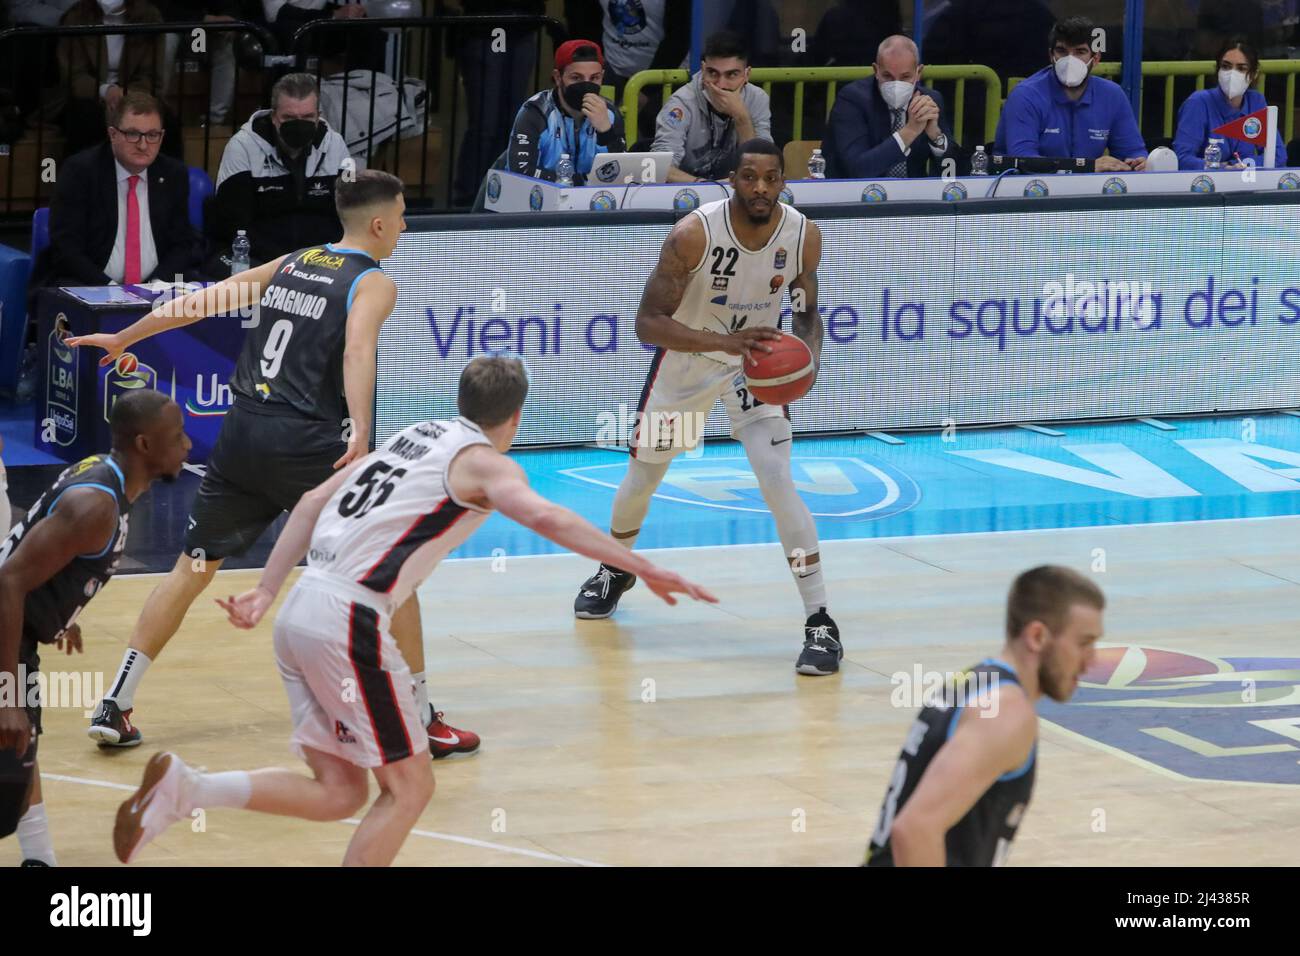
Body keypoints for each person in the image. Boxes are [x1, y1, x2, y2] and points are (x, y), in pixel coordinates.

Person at [112, 354, 716, 866]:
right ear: (516, 416)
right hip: (347, 620)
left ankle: (188, 788)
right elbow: (546, 516)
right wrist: (639, 564)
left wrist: (267, 591)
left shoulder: (413, 436)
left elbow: (311, 500)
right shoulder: (485, 462)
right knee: (410, 787)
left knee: (343, 792)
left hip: (300, 612)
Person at [67, 170, 480, 759]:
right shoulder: (374, 281)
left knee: (192, 565)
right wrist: (361, 428)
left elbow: (200, 303)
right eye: (404, 215)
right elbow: (358, 349)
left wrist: (124, 338)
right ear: (381, 223)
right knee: (397, 573)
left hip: (241, 432)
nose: (406, 226)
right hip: (308, 441)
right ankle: (418, 717)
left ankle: (116, 700)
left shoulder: (295, 260)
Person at [571, 138, 843, 676]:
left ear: (782, 182)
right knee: (645, 478)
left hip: (755, 369)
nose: (760, 187)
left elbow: (806, 307)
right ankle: (615, 567)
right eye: (749, 176)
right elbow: (648, 323)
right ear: (732, 180)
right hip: (690, 362)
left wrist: (809, 358)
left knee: (777, 479)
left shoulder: (803, 235)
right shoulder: (694, 233)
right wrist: (723, 344)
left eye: (770, 177)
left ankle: (819, 622)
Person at [0, 390, 190, 867]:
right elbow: (8, 581)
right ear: (145, 444)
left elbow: (43, 558)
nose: (188, 445)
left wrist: (65, 613)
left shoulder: (109, 478)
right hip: (5, 632)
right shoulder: (95, 505)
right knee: (10, 755)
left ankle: (39, 860)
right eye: (177, 436)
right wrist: (7, 697)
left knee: (21, 750)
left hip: (21, 632)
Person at [864, 566, 1103, 866]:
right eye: (1084, 643)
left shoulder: (976, 682)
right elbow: (915, 830)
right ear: (1038, 636)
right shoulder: (1006, 713)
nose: (1092, 660)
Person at [30, 91, 201, 290]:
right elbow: (66, 250)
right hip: (89, 284)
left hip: (156, 287)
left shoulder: (173, 174)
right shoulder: (80, 172)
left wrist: (157, 284)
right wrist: (111, 290)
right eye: (133, 134)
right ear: (113, 134)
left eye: (152, 135)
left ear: (162, 136)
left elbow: (182, 243)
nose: (143, 144)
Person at [207, 73, 355, 273]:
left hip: (320, 259)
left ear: (318, 116)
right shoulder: (242, 146)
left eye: (307, 117)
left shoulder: (335, 145)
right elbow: (234, 224)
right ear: (273, 116)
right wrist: (288, 265)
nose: (298, 124)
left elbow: (351, 214)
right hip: (259, 259)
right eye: (289, 118)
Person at [994, 16, 1147, 172]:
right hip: (1024, 189)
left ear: (1095, 59)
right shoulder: (1025, 95)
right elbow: (1023, 160)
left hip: (1086, 189)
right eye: (1062, 51)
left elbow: (1132, 151)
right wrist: (1086, 168)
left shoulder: (1112, 95)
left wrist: (1137, 162)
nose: (1069, 60)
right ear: (1051, 55)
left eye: (1080, 51)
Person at [820, 35, 959, 180]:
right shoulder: (852, 100)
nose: (896, 84)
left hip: (912, 196)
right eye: (887, 76)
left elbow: (955, 171)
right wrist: (910, 131)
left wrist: (936, 138)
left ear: (919, 73)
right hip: (858, 196)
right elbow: (858, 169)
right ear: (876, 70)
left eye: (905, 77)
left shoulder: (930, 101)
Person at [652, 30, 772, 184]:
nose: (721, 85)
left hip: (740, 193)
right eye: (713, 73)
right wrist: (706, 187)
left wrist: (741, 118)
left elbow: (764, 166)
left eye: (732, 75)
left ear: (746, 74)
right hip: (690, 192)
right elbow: (661, 168)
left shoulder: (757, 99)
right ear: (703, 69)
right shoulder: (681, 103)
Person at [505, 39, 625, 186]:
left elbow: (622, 174)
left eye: (594, 78)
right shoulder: (536, 112)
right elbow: (520, 173)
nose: (586, 85)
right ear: (557, 77)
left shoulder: (611, 114)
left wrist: (606, 133)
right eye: (576, 78)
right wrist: (579, 182)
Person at [1173, 36, 1287, 170]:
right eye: (1226, 66)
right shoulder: (1198, 103)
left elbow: (1278, 156)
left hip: (1245, 185)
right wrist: (1222, 168)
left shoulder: (1256, 101)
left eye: (1241, 68)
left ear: (1253, 74)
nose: (1232, 74)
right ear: (1218, 69)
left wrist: (1238, 166)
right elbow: (1182, 159)